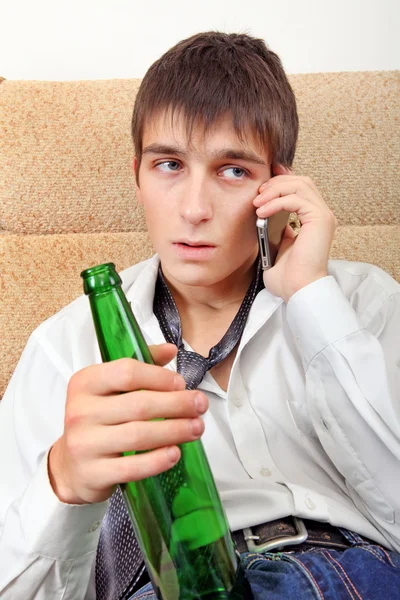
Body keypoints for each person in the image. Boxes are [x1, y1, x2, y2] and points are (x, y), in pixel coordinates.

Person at [0, 31, 399, 600]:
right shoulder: (65, 348)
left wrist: (313, 299)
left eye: (233, 171)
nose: (194, 209)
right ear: (137, 175)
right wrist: (62, 481)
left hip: (356, 573)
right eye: (168, 164)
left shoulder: (364, 303)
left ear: (277, 186)